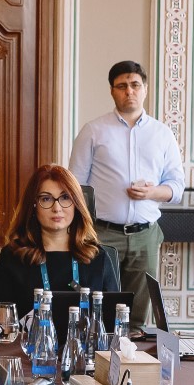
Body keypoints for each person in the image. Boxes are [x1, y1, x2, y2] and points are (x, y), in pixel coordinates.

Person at [69, 60, 185, 328]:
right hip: (102, 233)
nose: (129, 91)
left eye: (135, 85)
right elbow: (75, 185)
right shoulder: (93, 131)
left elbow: (177, 186)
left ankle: (133, 349)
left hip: (145, 235)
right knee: (97, 305)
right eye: (122, 86)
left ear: (145, 89)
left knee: (137, 314)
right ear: (112, 91)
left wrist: (153, 192)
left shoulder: (162, 134)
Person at [0, 164, 115, 308]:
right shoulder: (13, 256)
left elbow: (115, 315)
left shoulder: (98, 257)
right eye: (46, 199)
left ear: (76, 204)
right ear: (33, 205)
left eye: (65, 197)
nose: (57, 208)